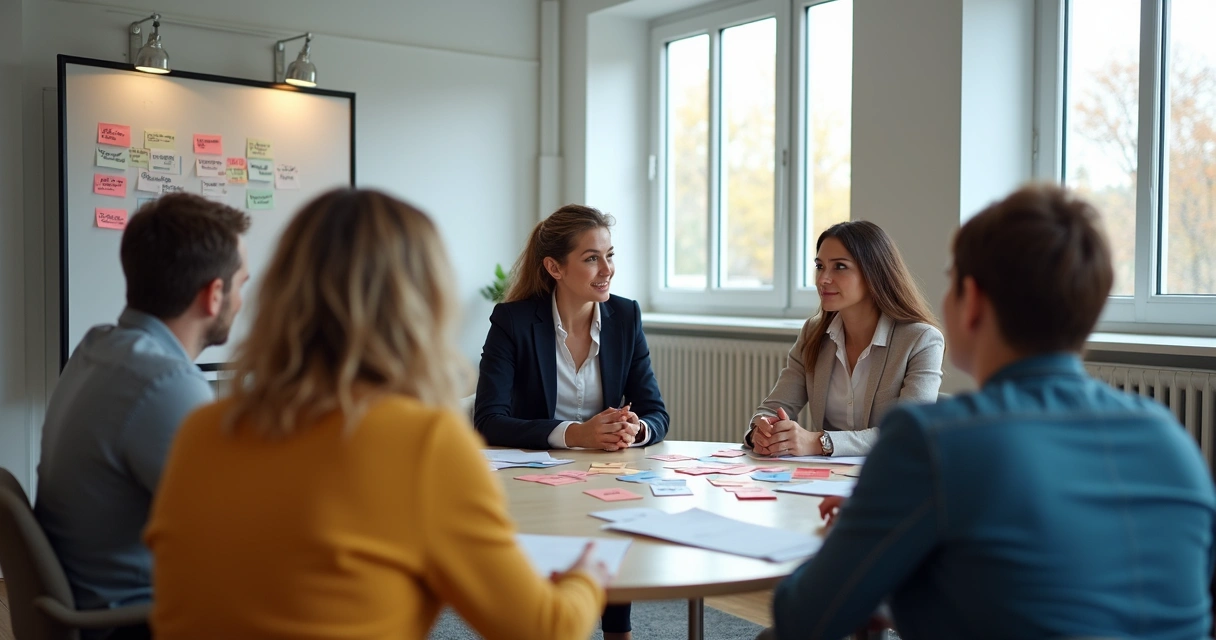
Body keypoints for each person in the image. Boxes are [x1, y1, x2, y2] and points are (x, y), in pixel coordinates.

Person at [145, 189, 610, 640]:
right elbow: (544, 629)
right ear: (421, 301)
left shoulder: (201, 430)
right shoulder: (423, 443)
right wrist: (587, 575)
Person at [765, 184, 1216, 639]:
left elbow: (804, 618)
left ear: (972, 301)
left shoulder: (930, 442)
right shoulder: (1170, 439)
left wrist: (851, 540)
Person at [34, 193, 250, 640]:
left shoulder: (96, 348)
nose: (242, 299)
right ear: (213, 295)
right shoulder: (165, 383)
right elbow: (230, 538)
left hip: (92, 603)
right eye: (242, 284)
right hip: (132, 623)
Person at [474, 203, 669, 639]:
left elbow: (656, 411)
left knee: (617, 509)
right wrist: (576, 434)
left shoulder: (625, 316)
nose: (607, 270)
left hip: (607, 471)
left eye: (610, 255)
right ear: (554, 267)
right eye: (591, 258)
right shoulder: (514, 321)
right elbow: (489, 419)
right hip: (533, 475)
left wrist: (634, 428)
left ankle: (619, 631)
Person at [746, 221, 943, 458]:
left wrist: (819, 442)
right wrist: (762, 432)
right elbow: (773, 408)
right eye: (820, 266)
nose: (823, 279)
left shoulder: (921, 339)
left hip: (891, 477)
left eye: (840, 266)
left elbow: (907, 433)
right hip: (826, 478)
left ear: (874, 273)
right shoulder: (813, 332)